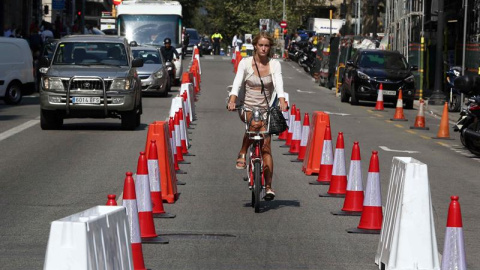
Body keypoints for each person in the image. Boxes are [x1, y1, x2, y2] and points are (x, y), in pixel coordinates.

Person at [227, 32, 287, 201]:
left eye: (266, 45)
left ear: (270, 48)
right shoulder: (245, 63)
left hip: (266, 108)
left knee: (266, 146)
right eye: (260, 45)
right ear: (255, 45)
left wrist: (282, 100)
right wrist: (232, 100)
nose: (263, 48)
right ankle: (243, 152)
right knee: (254, 123)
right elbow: (237, 82)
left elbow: (279, 83)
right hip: (246, 106)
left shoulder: (274, 64)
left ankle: (268, 187)